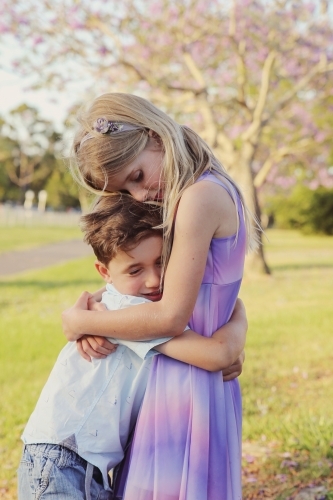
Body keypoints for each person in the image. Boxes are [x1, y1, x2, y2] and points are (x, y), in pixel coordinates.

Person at [62, 93, 257, 499]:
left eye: (136, 176)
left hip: (183, 388)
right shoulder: (208, 188)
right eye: (125, 191)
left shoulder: (198, 198)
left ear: (155, 136)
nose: (139, 195)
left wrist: (83, 322)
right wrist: (104, 305)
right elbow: (217, 296)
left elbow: (169, 317)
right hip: (194, 376)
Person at [18, 193, 247, 500]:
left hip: (85, 463)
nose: (154, 281)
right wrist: (239, 314)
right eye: (135, 270)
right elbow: (216, 354)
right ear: (104, 272)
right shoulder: (133, 314)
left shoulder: (113, 306)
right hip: (62, 463)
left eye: (161, 262)